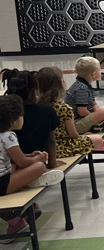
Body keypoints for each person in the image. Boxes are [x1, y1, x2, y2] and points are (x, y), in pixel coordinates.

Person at [0, 94, 64, 233]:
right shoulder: (8, 136)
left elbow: (15, 159)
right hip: (2, 183)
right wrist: (38, 159)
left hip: (5, 174)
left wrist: (30, 156)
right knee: (39, 167)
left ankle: (17, 219)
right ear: (12, 118)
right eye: (21, 115)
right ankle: (32, 182)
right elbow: (22, 162)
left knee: (14, 167)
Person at [36, 66, 104, 158]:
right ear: (61, 83)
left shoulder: (36, 106)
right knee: (97, 138)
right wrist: (82, 136)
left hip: (42, 147)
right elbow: (73, 134)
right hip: (62, 147)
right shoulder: (64, 108)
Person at [1, 68, 59, 168]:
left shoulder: (5, 112)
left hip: (10, 162)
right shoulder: (47, 110)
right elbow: (51, 140)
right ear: (33, 91)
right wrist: (52, 164)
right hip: (36, 160)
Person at [65, 56, 104, 135]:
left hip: (83, 119)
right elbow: (82, 111)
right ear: (94, 74)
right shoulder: (81, 89)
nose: (101, 72)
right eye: (100, 70)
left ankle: (103, 123)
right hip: (76, 124)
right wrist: (96, 117)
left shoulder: (85, 85)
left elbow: (94, 103)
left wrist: (98, 115)